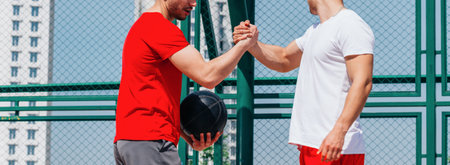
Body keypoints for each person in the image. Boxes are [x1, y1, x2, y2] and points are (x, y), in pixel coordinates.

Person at [113, 0, 257, 164]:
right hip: (150, 140)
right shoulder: (158, 27)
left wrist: (183, 133)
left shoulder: (143, 26)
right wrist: (244, 45)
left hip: (131, 141)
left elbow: (147, 97)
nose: (194, 3)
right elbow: (207, 76)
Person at [233, 0, 374, 164]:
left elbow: (363, 81)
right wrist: (251, 42)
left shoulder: (351, 24)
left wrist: (339, 131)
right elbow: (284, 59)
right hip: (314, 145)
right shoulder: (315, 30)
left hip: (334, 147)